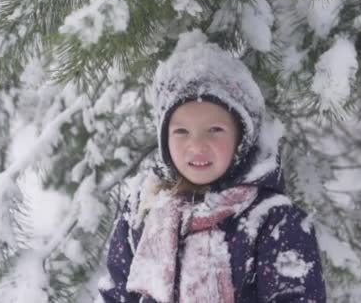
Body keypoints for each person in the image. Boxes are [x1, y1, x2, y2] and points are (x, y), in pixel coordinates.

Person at [100, 33, 326, 303]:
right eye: (182, 131)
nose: (197, 145)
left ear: (241, 138)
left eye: (215, 130)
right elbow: (115, 294)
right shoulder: (143, 210)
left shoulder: (274, 220)